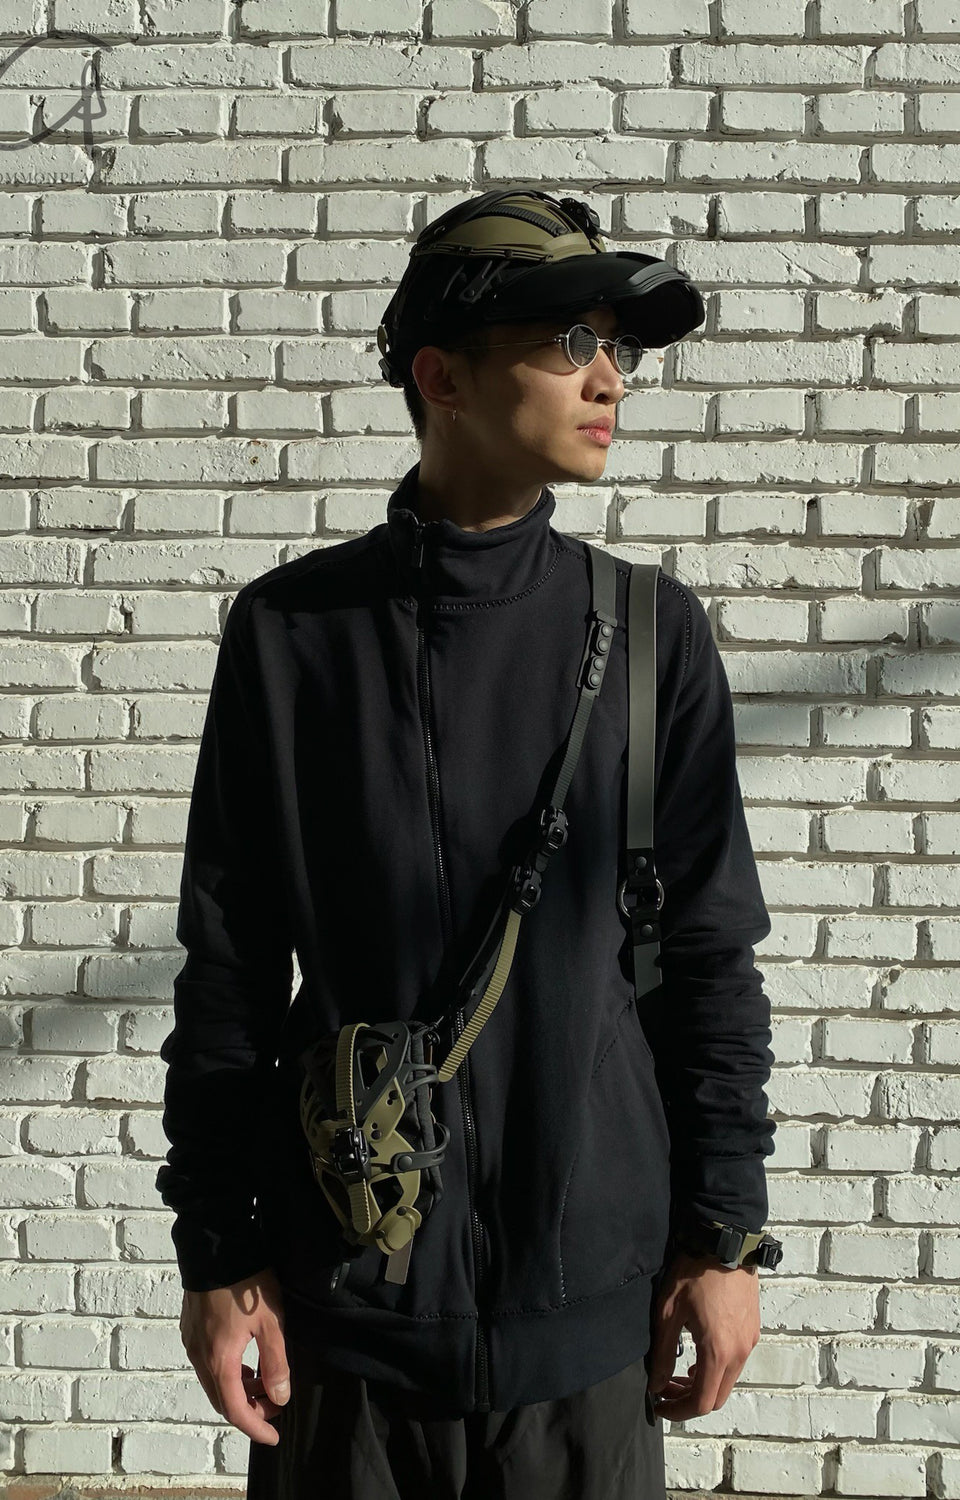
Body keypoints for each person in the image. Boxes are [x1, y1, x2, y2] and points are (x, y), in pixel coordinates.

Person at [155, 188, 783, 1500]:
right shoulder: (292, 637)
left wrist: (724, 1237)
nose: (610, 379)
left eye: (620, 347)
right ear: (441, 377)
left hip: (586, 1322)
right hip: (347, 1317)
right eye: (572, 343)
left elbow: (710, 960)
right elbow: (228, 972)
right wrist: (217, 1252)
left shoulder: (653, 637)